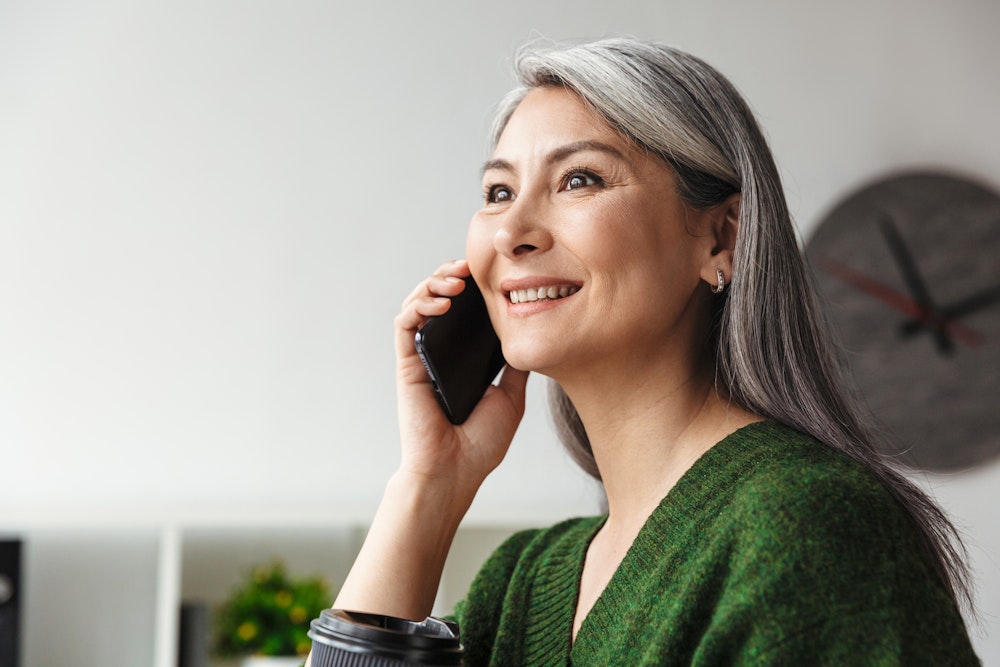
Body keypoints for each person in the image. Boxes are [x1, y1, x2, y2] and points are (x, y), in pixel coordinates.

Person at [309, 38, 980, 665]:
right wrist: (430, 484)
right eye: (498, 191)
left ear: (721, 239)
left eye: (579, 180)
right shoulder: (522, 582)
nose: (511, 230)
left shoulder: (808, 529)